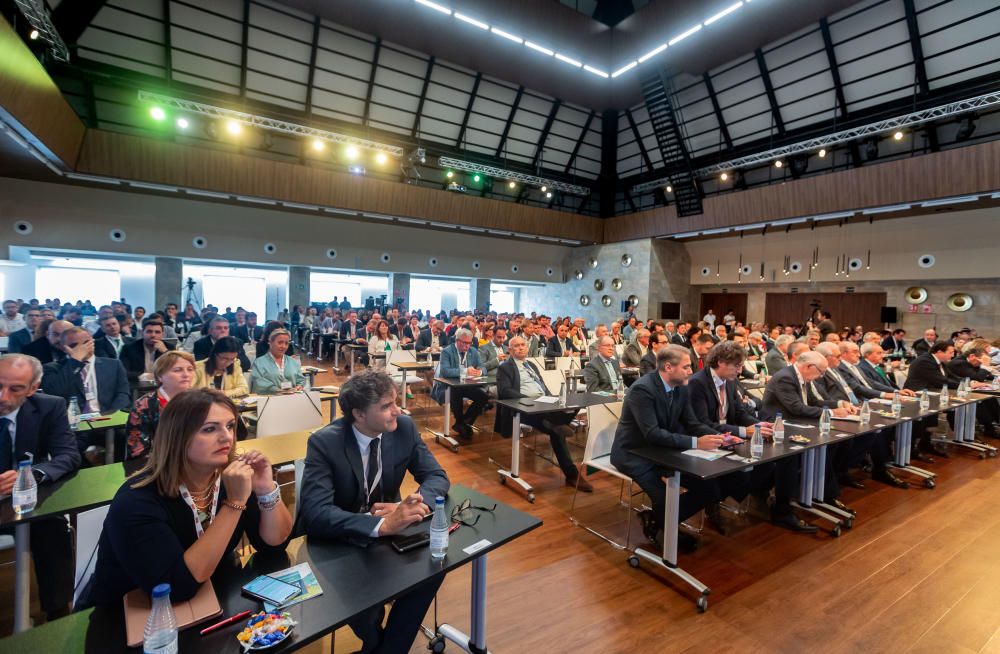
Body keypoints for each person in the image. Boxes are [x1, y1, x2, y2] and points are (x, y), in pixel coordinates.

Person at [86, 389, 292, 606]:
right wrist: (234, 504)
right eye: (210, 429)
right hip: (129, 617)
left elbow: (273, 545)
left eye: (230, 426)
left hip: (210, 598)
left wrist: (265, 489)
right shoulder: (136, 500)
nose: (227, 437)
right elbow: (176, 587)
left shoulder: (230, 477)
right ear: (178, 436)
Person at [297, 371, 449, 654]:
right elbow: (316, 514)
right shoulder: (325, 443)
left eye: (396, 402)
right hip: (339, 540)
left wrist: (413, 505)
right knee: (367, 609)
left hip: (389, 537)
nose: (398, 410)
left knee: (435, 566)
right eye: (386, 406)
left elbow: (437, 478)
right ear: (359, 414)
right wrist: (379, 526)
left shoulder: (403, 428)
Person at [609, 345, 730, 550]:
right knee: (664, 496)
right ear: (668, 367)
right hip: (634, 453)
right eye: (686, 367)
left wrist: (720, 436)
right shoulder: (642, 389)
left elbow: (692, 422)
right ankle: (665, 528)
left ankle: (656, 520)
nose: (691, 371)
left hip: (663, 451)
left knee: (709, 487)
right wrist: (695, 442)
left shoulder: (681, 386)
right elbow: (652, 433)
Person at [0, 354, 81, 620]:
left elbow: (68, 455)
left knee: (53, 529)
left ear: (33, 388)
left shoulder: (50, 406)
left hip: (25, 495)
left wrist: (31, 475)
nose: (3, 396)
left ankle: (58, 614)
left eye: (15, 389)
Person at [759, 351, 856, 528]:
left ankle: (822, 493)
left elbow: (812, 402)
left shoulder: (803, 377)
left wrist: (839, 404)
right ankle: (782, 509)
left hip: (796, 422)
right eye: (821, 371)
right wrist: (831, 413)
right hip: (778, 426)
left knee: (832, 443)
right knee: (793, 455)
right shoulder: (785, 378)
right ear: (809, 366)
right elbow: (796, 408)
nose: (822, 376)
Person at [495, 336, 592, 490]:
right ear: (510, 350)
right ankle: (572, 474)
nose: (521, 348)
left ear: (527, 348)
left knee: (574, 406)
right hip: (523, 407)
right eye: (517, 346)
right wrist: (530, 399)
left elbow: (543, 385)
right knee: (557, 431)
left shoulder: (531, 364)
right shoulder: (505, 367)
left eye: (523, 345)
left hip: (542, 404)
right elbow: (505, 391)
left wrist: (549, 397)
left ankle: (556, 424)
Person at [126, 351, 196, 459]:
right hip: (158, 465)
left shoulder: (199, 400)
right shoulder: (144, 405)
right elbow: (137, 450)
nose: (186, 374)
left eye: (190, 369)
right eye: (178, 370)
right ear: (160, 376)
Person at [430, 328, 487, 440]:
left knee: (483, 397)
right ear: (457, 340)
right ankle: (462, 423)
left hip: (466, 385)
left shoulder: (473, 351)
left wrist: (479, 371)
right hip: (446, 387)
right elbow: (445, 372)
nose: (467, 346)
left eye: (469, 343)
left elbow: (483, 367)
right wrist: (466, 371)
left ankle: (462, 423)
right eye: (464, 342)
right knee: (456, 392)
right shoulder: (447, 351)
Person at [251, 329, 304, 394]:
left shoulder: (293, 362)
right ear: (270, 342)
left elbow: (301, 380)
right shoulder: (259, 363)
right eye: (280, 342)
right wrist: (277, 390)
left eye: (286, 343)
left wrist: (299, 386)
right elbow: (259, 382)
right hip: (269, 399)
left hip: (292, 398)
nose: (283, 346)